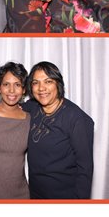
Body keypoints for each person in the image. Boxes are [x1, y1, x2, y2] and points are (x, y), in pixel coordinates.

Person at [22, 61, 94, 199]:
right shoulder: (32, 107)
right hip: (35, 194)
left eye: (48, 81)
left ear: (58, 84)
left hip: (64, 196)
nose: (41, 88)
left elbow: (85, 168)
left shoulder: (76, 119)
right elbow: (11, 110)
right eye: (36, 83)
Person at [0, 61, 31, 199]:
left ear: (24, 90)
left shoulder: (29, 119)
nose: (11, 90)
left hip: (21, 194)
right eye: (6, 84)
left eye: (17, 85)